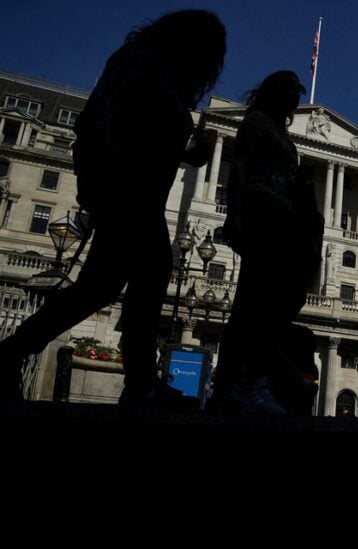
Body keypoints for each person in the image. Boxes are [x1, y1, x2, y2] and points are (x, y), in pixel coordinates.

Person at [0, 10, 226, 404]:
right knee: (142, 278)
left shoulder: (173, 81)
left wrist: (196, 153)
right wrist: (102, 180)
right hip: (125, 189)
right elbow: (96, 120)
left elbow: (161, 145)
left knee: (104, 287)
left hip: (143, 195)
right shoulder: (140, 60)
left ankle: (14, 352)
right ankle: (138, 383)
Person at [212, 71, 323, 416]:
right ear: (273, 92)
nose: (295, 97)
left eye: (297, 91)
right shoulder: (257, 121)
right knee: (255, 301)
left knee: (272, 300)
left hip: (282, 219)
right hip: (261, 211)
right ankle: (243, 382)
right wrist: (234, 214)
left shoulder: (282, 133)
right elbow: (240, 166)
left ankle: (246, 380)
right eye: (289, 89)